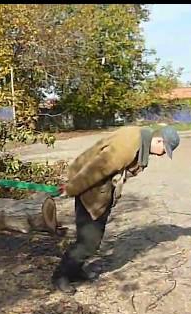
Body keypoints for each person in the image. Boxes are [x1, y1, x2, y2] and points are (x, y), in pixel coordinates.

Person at [53, 125, 180, 294]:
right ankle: (61, 275)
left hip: (98, 187)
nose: (163, 154)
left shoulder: (139, 139)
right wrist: (71, 189)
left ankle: (75, 271)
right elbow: (96, 169)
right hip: (89, 186)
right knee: (89, 241)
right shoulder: (129, 146)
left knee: (92, 238)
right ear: (158, 140)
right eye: (165, 149)